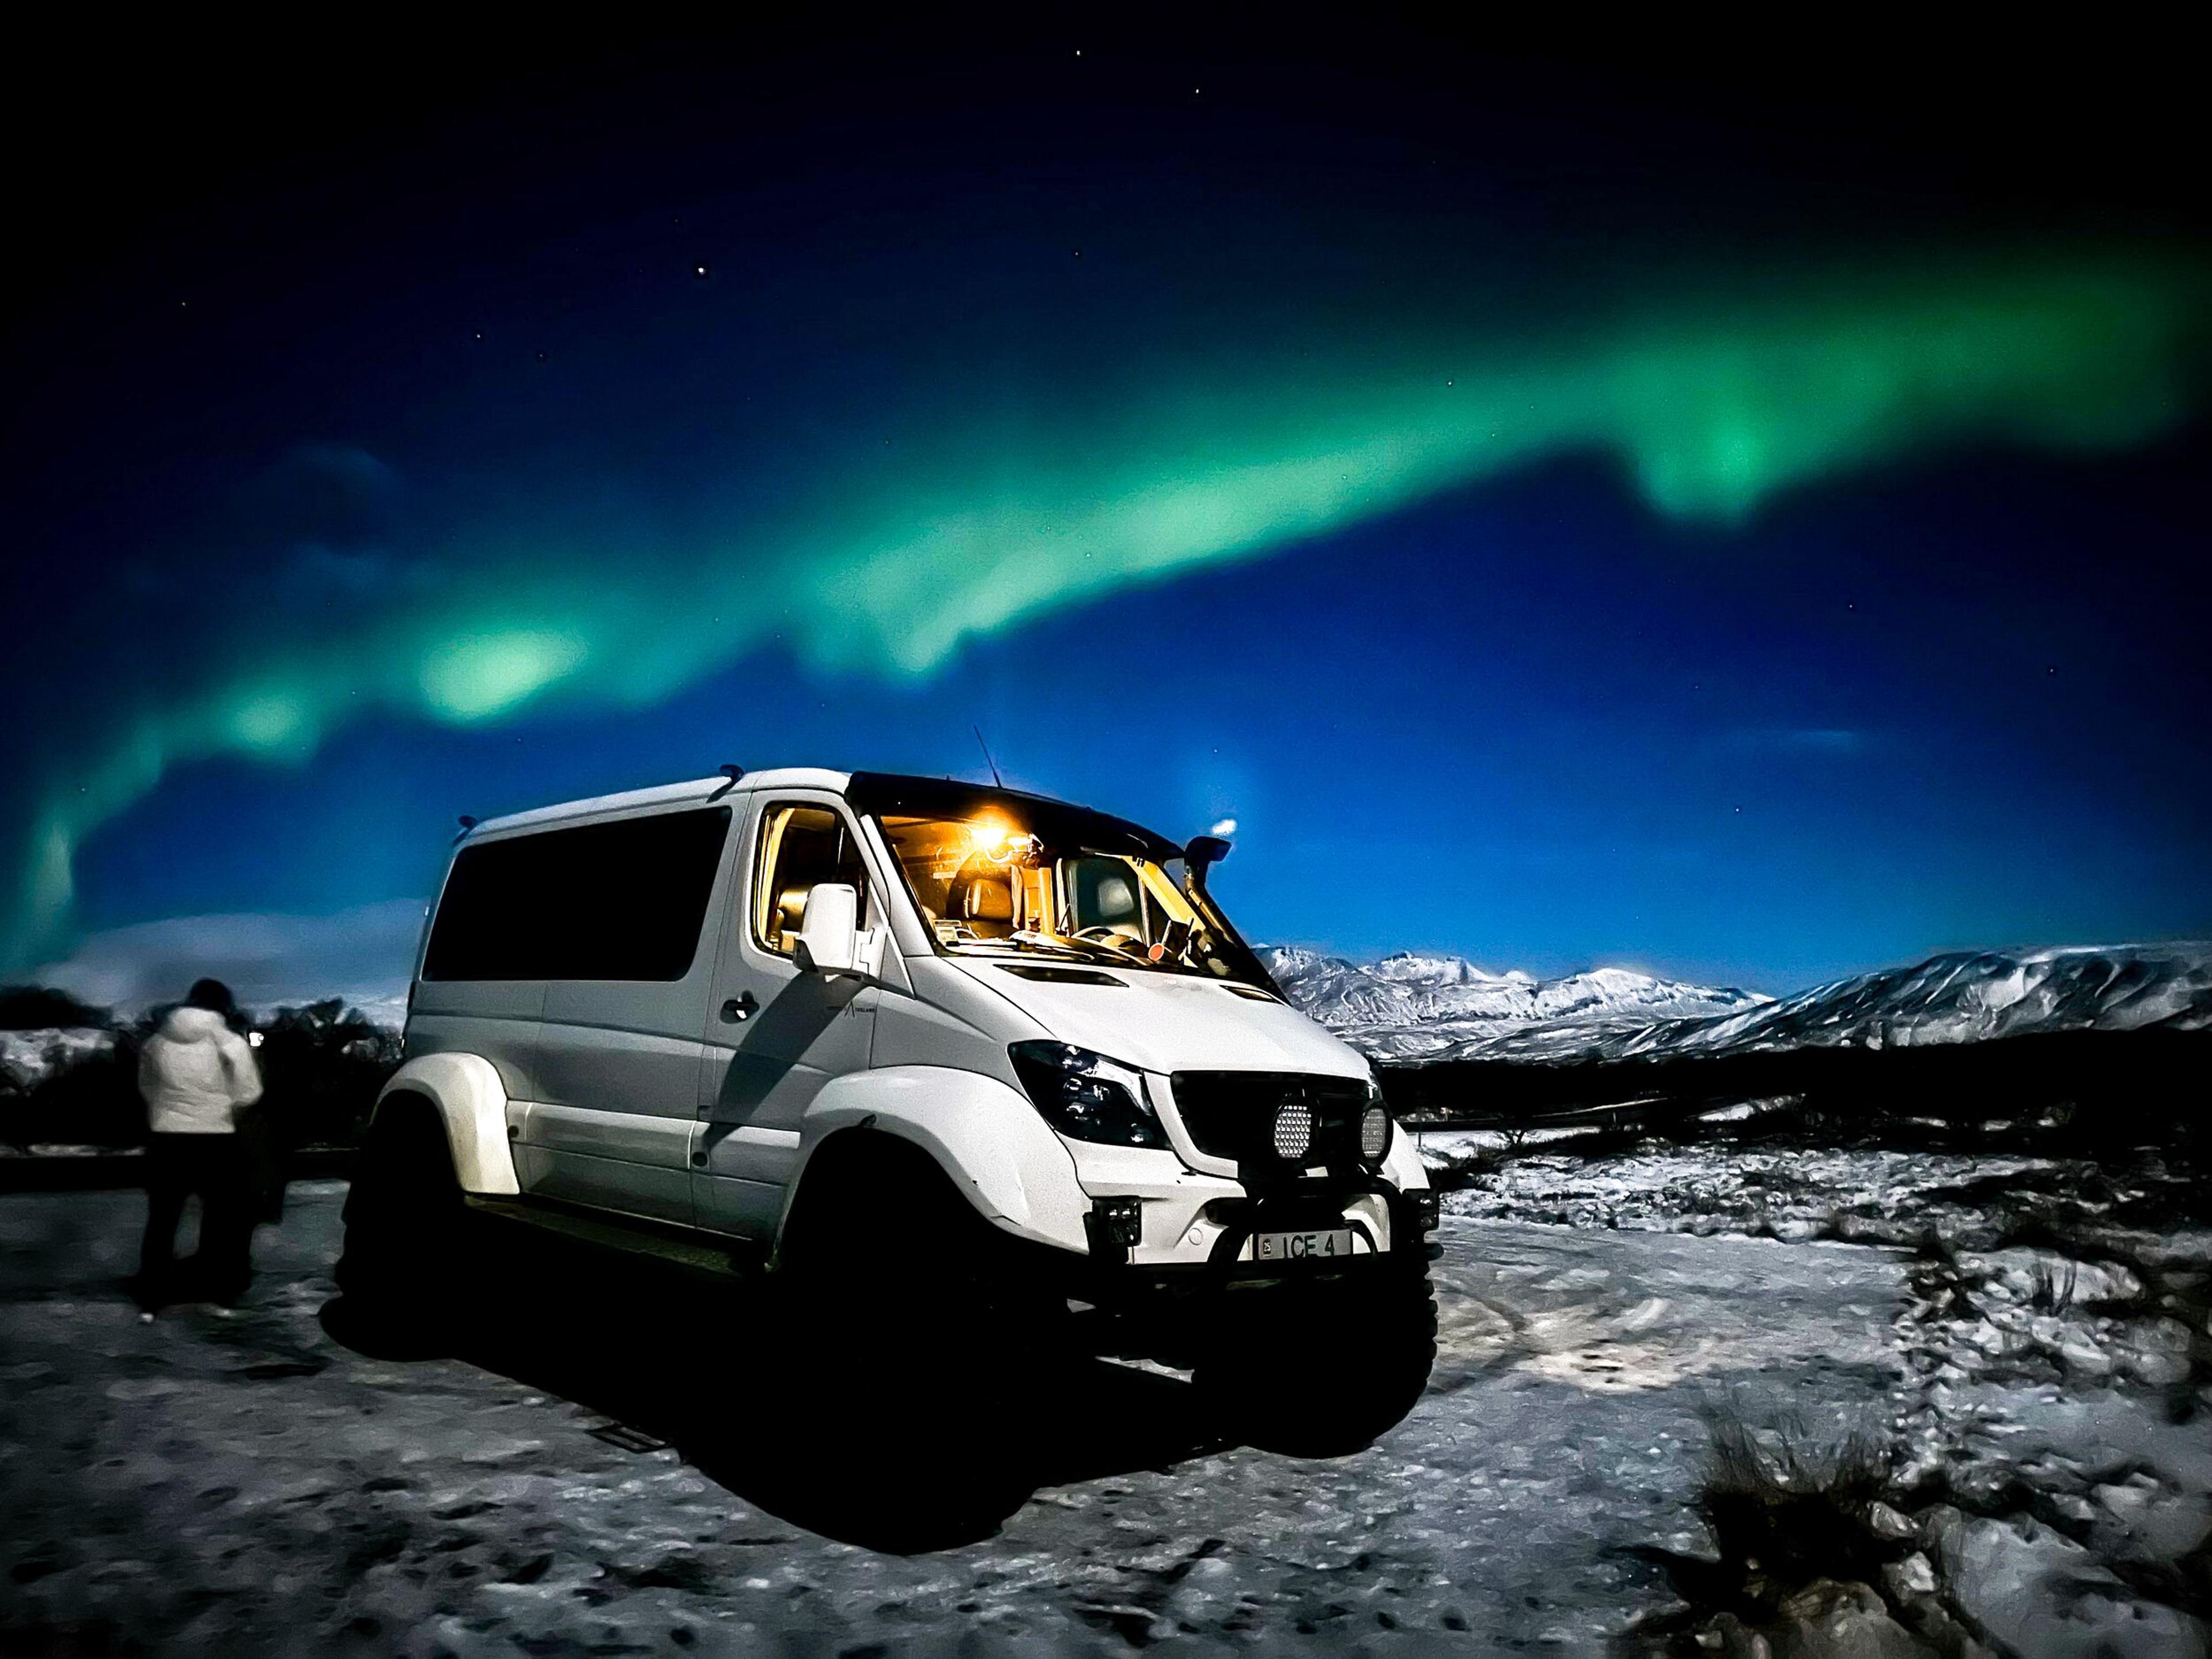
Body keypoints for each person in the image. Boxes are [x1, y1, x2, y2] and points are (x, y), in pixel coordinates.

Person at [135, 978, 264, 1312]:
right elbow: (250, 1092)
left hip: (166, 1138)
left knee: (163, 1219)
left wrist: (167, 1110)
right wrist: (221, 1106)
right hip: (216, 1139)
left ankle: (151, 1294)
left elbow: (147, 1087)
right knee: (220, 1218)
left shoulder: (156, 1042)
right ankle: (217, 1291)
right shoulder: (230, 1042)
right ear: (224, 1006)